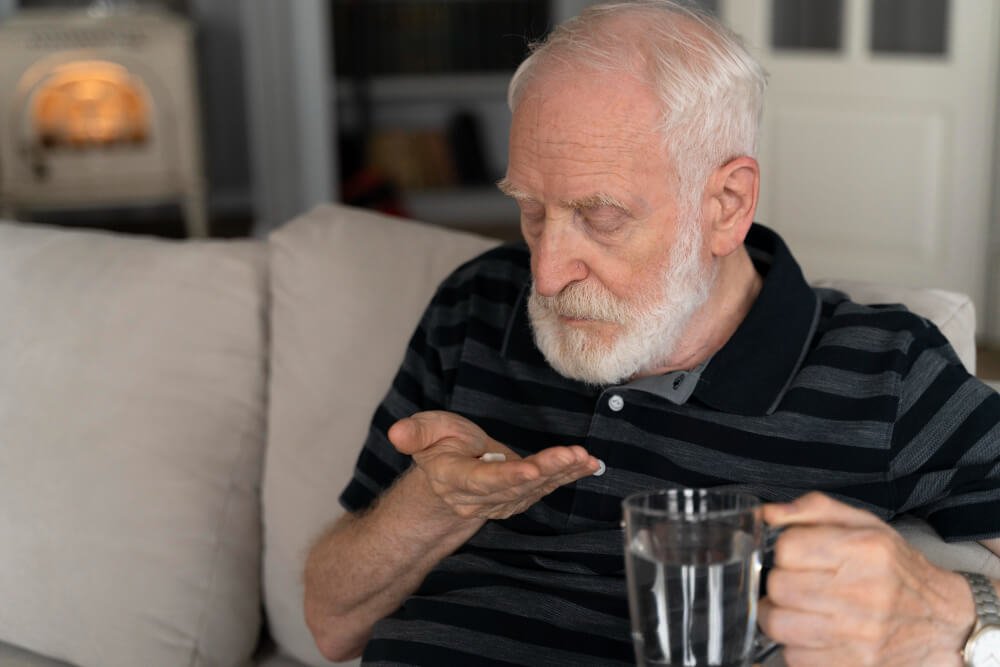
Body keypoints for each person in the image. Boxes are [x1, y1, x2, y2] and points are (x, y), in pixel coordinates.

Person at [303, 2, 1000, 665]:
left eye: (600, 217)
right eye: (531, 209)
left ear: (726, 204)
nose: (545, 273)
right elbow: (330, 622)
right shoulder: (474, 305)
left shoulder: (885, 369)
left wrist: (952, 614)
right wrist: (434, 504)